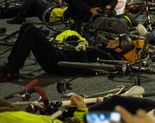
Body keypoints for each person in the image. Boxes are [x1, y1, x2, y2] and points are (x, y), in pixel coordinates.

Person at [0, 22, 139, 81]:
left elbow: (88, 72)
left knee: (31, 30)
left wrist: (83, 50)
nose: (112, 40)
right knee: (27, 26)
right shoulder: (103, 49)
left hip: (59, 63)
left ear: (119, 49)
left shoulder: (108, 57)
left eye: (116, 42)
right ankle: (10, 65)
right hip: (60, 54)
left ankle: (13, 70)